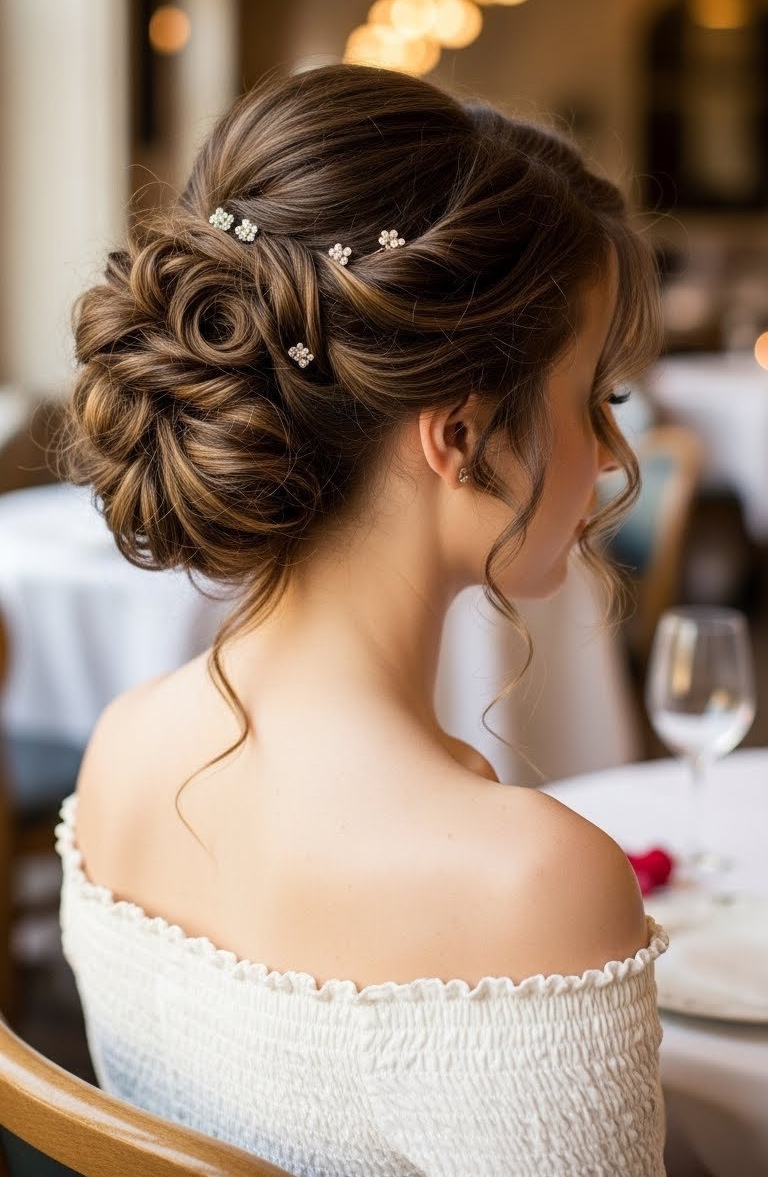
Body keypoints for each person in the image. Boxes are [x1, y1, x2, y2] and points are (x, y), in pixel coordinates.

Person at [57, 64, 668, 1175]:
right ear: (462, 436)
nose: (614, 458)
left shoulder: (121, 752)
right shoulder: (532, 887)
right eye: (595, 401)